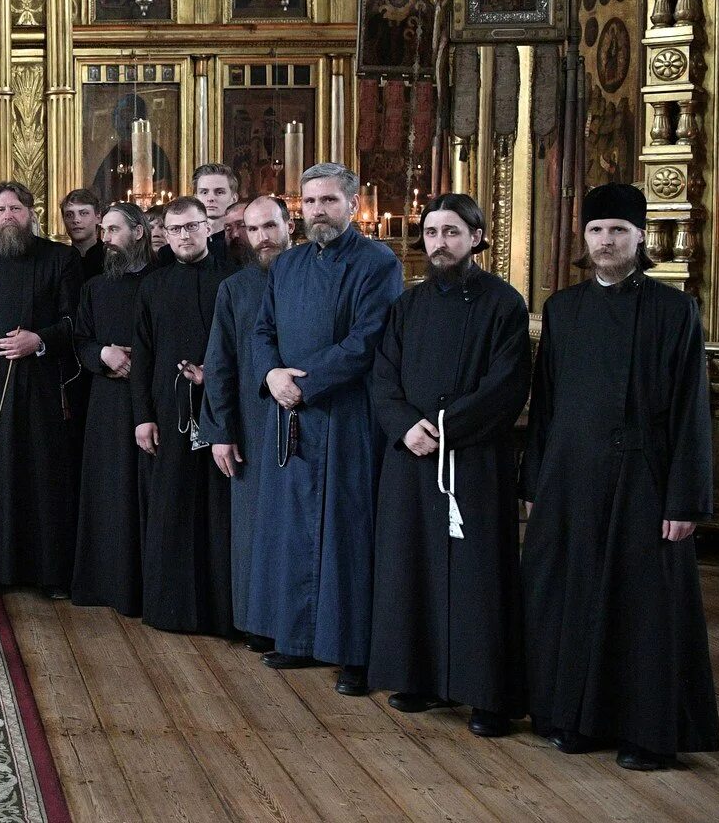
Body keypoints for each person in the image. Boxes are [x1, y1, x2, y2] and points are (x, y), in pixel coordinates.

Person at [522, 183, 719, 770]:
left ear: (640, 238)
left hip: (645, 481)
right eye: (596, 231)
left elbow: (691, 412)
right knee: (572, 599)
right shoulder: (563, 309)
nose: (606, 241)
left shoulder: (673, 310)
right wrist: (535, 485)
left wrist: (685, 500)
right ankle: (575, 719)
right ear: (584, 240)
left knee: (644, 611)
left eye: (618, 230)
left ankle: (646, 734)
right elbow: (547, 404)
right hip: (571, 478)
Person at [367, 195, 531, 736]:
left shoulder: (504, 304)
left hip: (474, 462)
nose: (440, 243)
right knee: (410, 567)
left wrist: (445, 429)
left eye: (452, 232)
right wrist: (405, 427)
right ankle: (415, 678)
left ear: (477, 238)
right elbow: (383, 378)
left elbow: (506, 385)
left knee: (477, 577)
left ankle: (485, 694)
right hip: (411, 460)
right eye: (432, 232)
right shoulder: (405, 307)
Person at [250, 164, 403, 695]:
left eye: (329, 200)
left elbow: (368, 340)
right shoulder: (288, 265)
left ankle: (353, 652)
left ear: (353, 204)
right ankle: (297, 637)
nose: (317, 209)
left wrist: (305, 385)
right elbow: (263, 329)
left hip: (347, 418)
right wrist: (271, 375)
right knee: (292, 529)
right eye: (309, 200)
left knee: (347, 534)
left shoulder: (377, 263)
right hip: (289, 413)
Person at [0, 182, 82, 595]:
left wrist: (38, 341)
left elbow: (76, 323)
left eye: (16, 209)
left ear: (30, 213)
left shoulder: (61, 258)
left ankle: (48, 574)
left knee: (41, 475)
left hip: (41, 387)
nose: (7, 215)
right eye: (1, 209)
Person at [130, 197, 238, 635]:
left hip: (223, 410)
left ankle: (225, 614)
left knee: (219, 510)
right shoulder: (153, 286)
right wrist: (142, 417)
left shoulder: (233, 280)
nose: (183, 236)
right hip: (168, 411)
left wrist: (212, 375)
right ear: (166, 234)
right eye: (175, 230)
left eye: (192, 227)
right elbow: (143, 354)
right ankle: (171, 610)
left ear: (208, 228)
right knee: (171, 508)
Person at [203, 197, 293, 651]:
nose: (262, 238)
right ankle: (256, 623)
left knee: (295, 528)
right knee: (252, 530)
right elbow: (218, 365)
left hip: (305, 422)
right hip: (252, 427)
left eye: (269, 227)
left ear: (287, 224)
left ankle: (296, 628)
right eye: (252, 230)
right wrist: (219, 431)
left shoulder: (309, 277)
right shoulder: (235, 288)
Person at [70, 204, 155, 616]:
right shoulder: (96, 288)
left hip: (154, 401)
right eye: (103, 231)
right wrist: (102, 353)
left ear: (139, 232)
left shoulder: (160, 282)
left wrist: (143, 361)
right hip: (107, 404)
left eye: (115, 230)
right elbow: (80, 341)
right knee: (110, 494)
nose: (106, 239)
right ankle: (108, 585)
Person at [192, 164, 241, 263]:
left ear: (234, 198)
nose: (210, 198)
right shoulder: (185, 239)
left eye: (219, 192)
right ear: (196, 198)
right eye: (204, 192)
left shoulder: (243, 241)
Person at [61, 188, 106, 280]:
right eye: (69, 215)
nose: (76, 220)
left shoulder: (112, 259)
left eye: (83, 213)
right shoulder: (58, 261)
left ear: (98, 217)